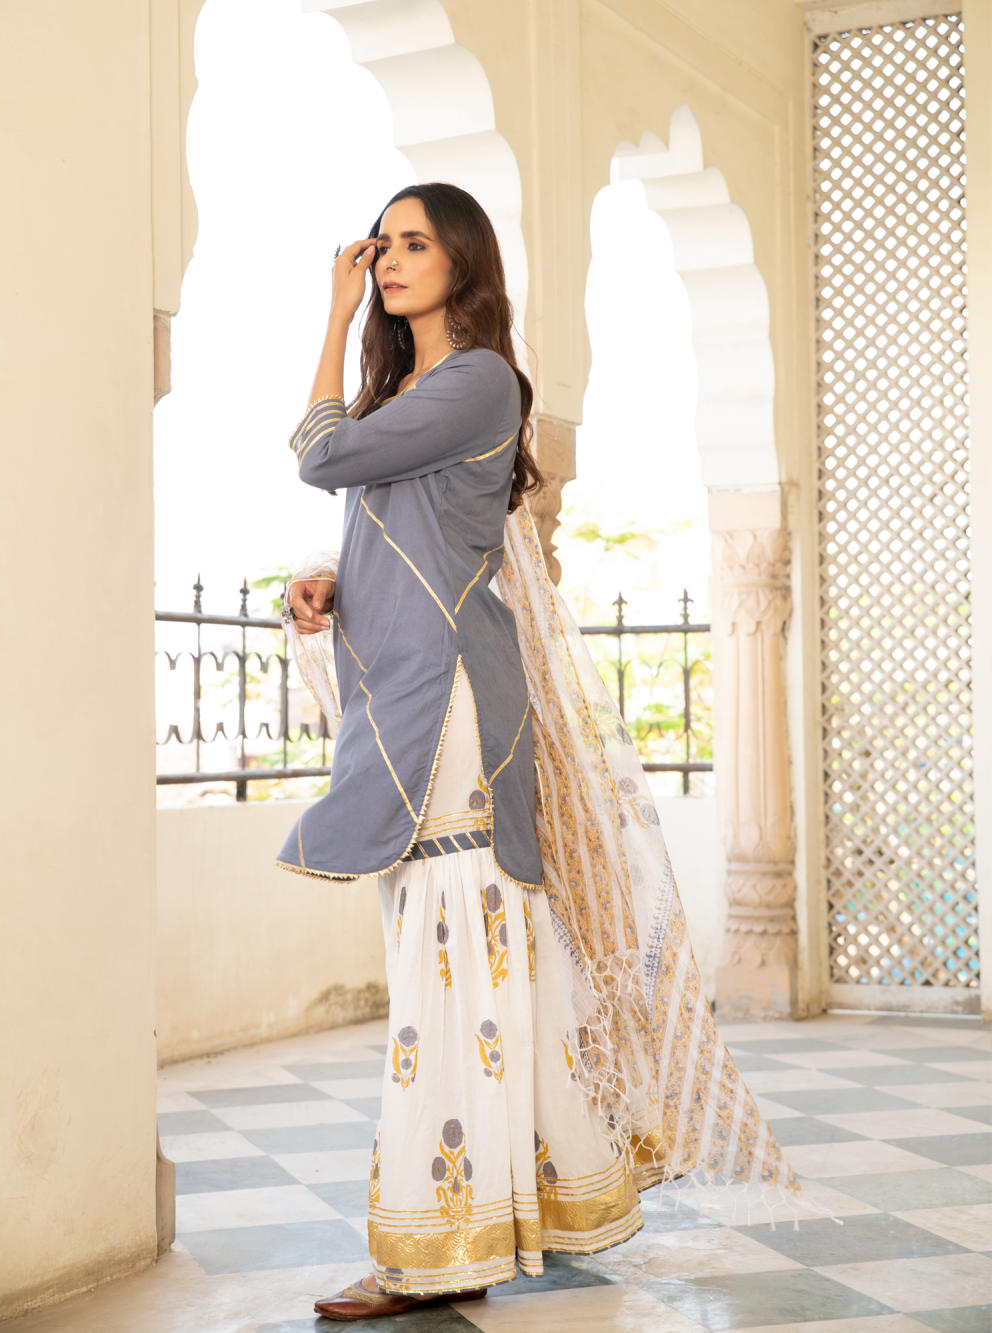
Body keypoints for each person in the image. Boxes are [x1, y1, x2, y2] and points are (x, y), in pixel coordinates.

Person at [276, 183, 807, 1321]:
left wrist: (330, 313)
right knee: (456, 961)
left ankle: (434, 1244)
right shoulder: (406, 394)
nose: (386, 263)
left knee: (453, 966)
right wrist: (325, 580)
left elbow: (320, 455)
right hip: (401, 703)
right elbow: (394, 534)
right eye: (381, 247)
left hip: (451, 708)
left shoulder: (477, 382)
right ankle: (523, 1202)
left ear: (462, 262)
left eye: (413, 245)